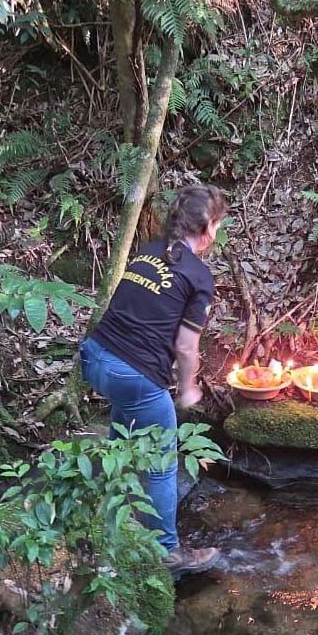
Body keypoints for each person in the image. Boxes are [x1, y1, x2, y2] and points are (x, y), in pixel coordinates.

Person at [79, 184, 226, 577]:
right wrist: (188, 387)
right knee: (162, 464)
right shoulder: (198, 276)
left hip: (93, 358)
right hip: (133, 374)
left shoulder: (147, 251)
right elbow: (185, 343)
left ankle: (106, 520)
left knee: (124, 435)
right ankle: (166, 550)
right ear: (207, 228)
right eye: (218, 225)